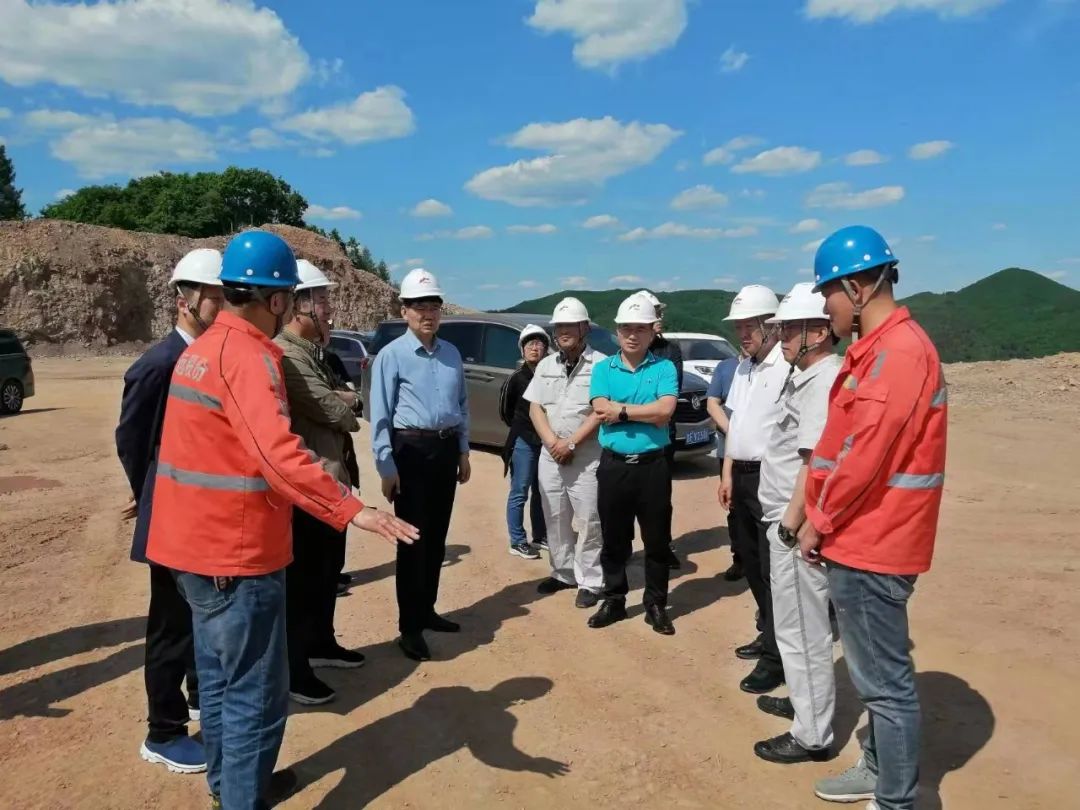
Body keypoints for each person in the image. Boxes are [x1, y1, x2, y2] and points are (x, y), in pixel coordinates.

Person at [146, 230, 418, 810]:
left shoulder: (201, 350)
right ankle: (243, 796)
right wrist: (352, 510)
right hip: (235, 557)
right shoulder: (248, 358)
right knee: (256, 695)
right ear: (274, 299)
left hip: (192, 552)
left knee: (219, 682)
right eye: (291, 297)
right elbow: (277, 455)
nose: (293, 307)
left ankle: (230, 785)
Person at [803, 227, 947, 810]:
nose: (825, 308)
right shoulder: (876, 350)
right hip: (860, 536)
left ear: (857, 288)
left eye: (827, 294)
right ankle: (878, 769)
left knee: (885, 687)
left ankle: (895, 800)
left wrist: (818, 520)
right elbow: (841, 445)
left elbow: (865, 458)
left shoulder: (899, 353)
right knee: (876, 679)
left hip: (874, 541)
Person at [116, 248, 224, 775]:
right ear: (185, 300)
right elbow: (132, 439)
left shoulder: (203, 357)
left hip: (196, 515)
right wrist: (150, 492)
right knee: (170, 626)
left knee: (197, 617)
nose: (223, 306)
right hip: (170, 518)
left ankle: (199, 696)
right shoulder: (160, 363)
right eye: (215, 296)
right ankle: (163, 732)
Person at [750, 283, 842, 765]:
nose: (781, 337)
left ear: (819, 332)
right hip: (785, 520)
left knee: (803, 628)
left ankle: (812, 735)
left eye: (789, 329)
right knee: (795, 627)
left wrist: (789, 527)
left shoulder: (823, 382)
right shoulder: (807, 376)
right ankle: (807, 704)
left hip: (794, 527)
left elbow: (814, 464)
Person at [275, 259, 366, 707]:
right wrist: (347, 401)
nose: (330, 308)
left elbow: (346, 399)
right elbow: (335, 410)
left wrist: (346, 398)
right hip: (309, 488)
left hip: (333, 485)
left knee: (328, 573)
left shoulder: (313, 353)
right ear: (300, 304)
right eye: (323, 299)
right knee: (304, 581)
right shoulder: (288, 355)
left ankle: (321, 644)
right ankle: (295, 670)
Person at [369, 268, 471, 663]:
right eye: (419, 306)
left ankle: (426, 609)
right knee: (412, 541)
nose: (427, 314)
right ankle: (409, 627)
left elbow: (461, 405)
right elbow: (381, 414)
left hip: (444, 450)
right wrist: (386, 466)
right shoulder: (392, 356)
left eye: (433, 306)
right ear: (404, 311)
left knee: (437, 537)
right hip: (410, 451)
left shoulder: (451, 354)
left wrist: (462, 451)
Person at [587, 294, 679, 635]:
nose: (632, 335)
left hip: (653, 466)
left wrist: (622, 411)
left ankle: (656, 603)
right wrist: (644, 412)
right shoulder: (603, 369)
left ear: (652, 332)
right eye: (626, 327)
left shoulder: (664, 368)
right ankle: (614, 599)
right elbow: (601, 409)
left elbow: (665, 411)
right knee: (613, 537)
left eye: (640, 328)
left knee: (656, 540)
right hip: (614, 466)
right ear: (617, 331)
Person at [717, 284, 788, 694]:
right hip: (741, 474)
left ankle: (777, 657)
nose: (743, 334)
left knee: (772, 567)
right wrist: (727, 472)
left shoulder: (784, 367)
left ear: (772, 326)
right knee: (749, 558)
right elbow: (737, 424)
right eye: (739, 327)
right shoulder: (744, 367)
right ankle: (769, 633)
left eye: (750, 326)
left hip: (769, 476)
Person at [525, 299, 605, 608]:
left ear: (585, 328)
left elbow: (600, 412)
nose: (563, 332)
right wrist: (552, 443)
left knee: (589, 520)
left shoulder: (602, 365)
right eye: (559, 326)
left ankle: (590, 581)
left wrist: (570, 443)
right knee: (555, 516)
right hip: (551, 454)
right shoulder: (546, 365)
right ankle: (563, 572)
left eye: (570, 325)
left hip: (586, 456)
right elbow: (535, 408)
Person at [635, 290, 684, 570]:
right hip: (629, 435)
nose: (659, 318)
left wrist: (633, 408)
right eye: (655, 313)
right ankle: (625, 545)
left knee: (660, 497)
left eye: (659, 313)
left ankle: (662, 546)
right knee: (625, 495)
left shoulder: (670, 350)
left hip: (662, 434)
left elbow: (669, 395)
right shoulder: (626, 350)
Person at [499, 324, 550, 560]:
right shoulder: (517, 378)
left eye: (539, 343)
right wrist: (523, 427)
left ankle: (540, 535)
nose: (535, 348)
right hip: (523, 441)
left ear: (546, 349)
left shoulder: (550, 376)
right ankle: (517, 540)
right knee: (520, 491)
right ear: (522, 349)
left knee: (541, 491)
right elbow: (505, 411)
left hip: (545, 441)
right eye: (530, 344)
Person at [706, 352, 743, 582]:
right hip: (728, 449)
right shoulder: (726, 367)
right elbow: (712, 402)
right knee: (735, 507)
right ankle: (740, 558)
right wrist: (733, 432)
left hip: (761, 452)